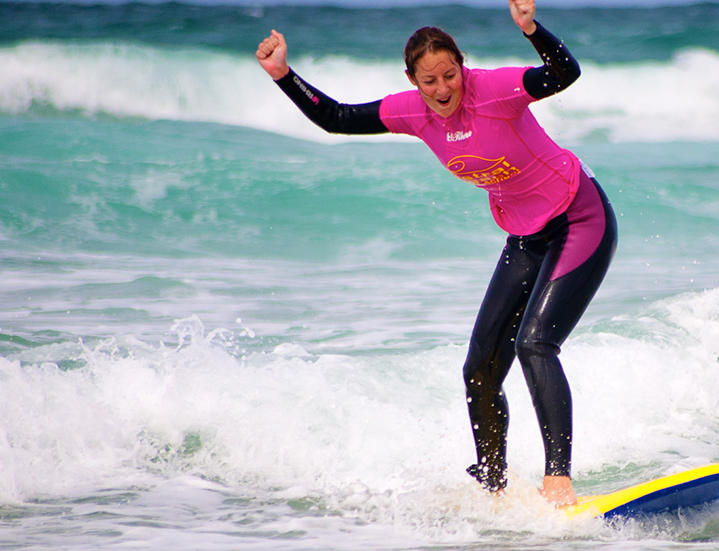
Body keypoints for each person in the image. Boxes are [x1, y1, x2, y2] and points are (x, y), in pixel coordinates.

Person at [256, 0, 616, 507]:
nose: (443, 89)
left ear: (462, 67)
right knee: (479, 370)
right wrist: (283, 75)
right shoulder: (412, 112)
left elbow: (564, 73)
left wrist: (531, 29)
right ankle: (493, 485)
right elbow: (336, 118)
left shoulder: (494, 90)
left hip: (579, 218)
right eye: (430, 81)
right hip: (526, 235)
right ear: (412, 80)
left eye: (450, 75)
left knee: (535, 344)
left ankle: (559, 480)